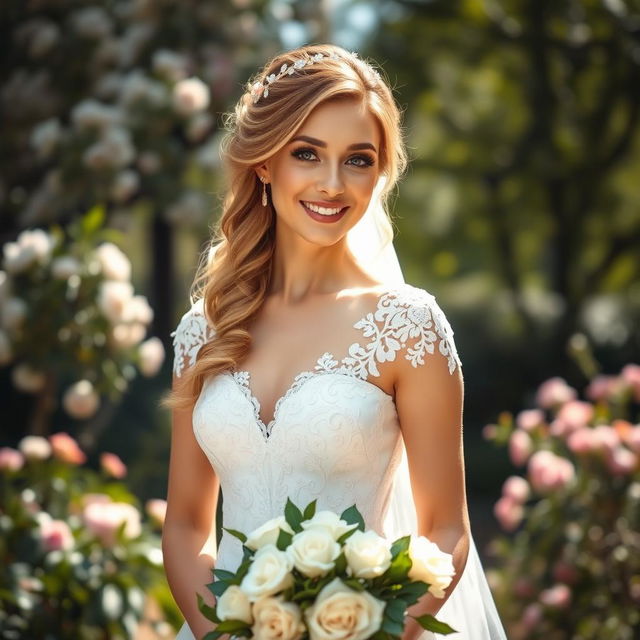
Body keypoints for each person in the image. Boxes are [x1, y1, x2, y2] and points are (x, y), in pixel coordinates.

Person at [161, 43, 506, 640]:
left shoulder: (407, 326)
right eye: (307, 153)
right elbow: (188, 527)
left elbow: (445, 532)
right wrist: (225, 633)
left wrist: (370, 632)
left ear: (379, 172)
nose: (332, 184)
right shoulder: (206, 328)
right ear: (265, 163)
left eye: (358, 160)